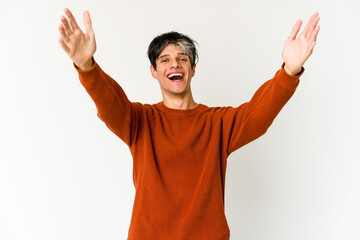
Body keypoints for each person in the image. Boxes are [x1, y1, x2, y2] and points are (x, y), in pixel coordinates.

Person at [58, 8, 320, 240]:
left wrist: (289, 72)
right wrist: (86, 65)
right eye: (165, 59)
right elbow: (109, 102)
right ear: (154, 71)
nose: (175, 63)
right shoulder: (139, 121)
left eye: (183, 58)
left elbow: (258, 114)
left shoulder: (218, 123)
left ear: (192, 69)